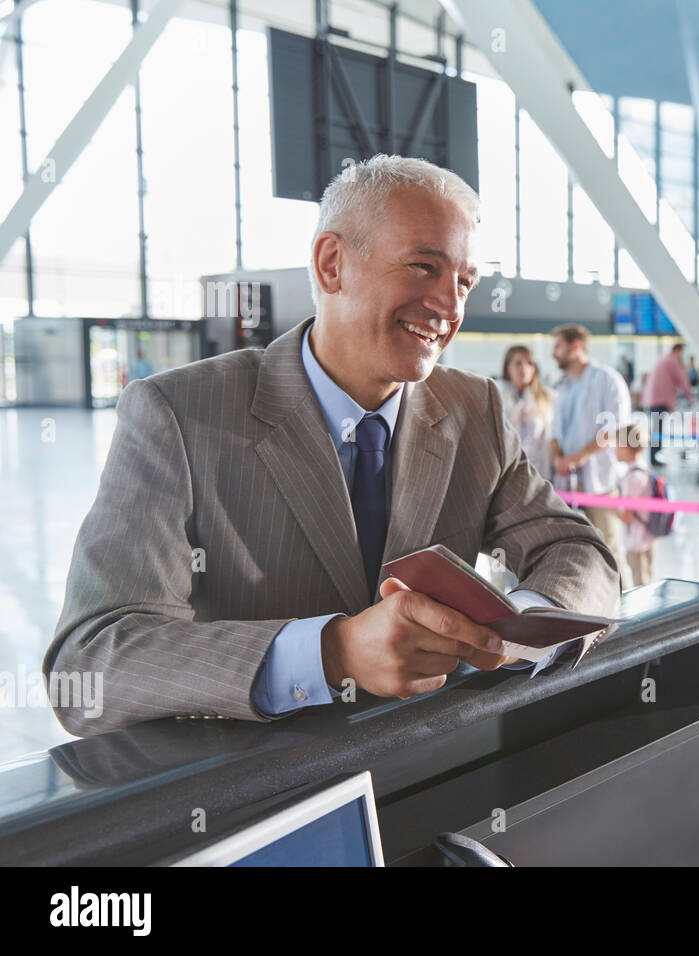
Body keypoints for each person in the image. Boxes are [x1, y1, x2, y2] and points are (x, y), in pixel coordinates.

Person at [45, 155, 620, 736]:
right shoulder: (181, 415)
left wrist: (511, 627)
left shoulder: (476, 410)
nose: (451, 307)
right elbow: (91, 660)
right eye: (424, 266)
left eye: (465, 282)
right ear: (331, 264)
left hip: (439, 779)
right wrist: (331, 653)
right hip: (267, 801)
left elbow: (578, 551)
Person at [551, 323, 632, 586]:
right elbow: (555, 433)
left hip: (602, 483)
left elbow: (614, 430)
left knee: (611, 550)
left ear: (576, 347)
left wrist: (576, 457)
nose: (554, 353)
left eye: (558, 347)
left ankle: (630, 609)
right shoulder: (563, 387)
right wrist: (558, 459)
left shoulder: (607, 380)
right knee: (576, 552)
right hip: (568, 486)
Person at [497, 345, 555, 481]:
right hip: (505, 473)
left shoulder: (546, 398)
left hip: (537, 474)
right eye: (518, 363)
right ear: (507, 367)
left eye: (529, 363)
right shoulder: (496, 393)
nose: (524, 368)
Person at [614, 423, 657, 587]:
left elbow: (627, 516)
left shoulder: (631, 478)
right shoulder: (644, 469)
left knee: (642, 586)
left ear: (626, 447)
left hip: (637, 542)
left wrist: (609, 506)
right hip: (648, 537)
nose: (614, 450)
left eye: (617, 445)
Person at [641, 342, 693, 465]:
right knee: (656, 430)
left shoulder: (664, 358)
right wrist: (689, 396)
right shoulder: (672, 360)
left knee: (655, 428)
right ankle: (655, 458)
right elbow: (682, 379)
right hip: (659, 399)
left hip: (653, 398)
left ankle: (654, 457)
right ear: (678, 350)